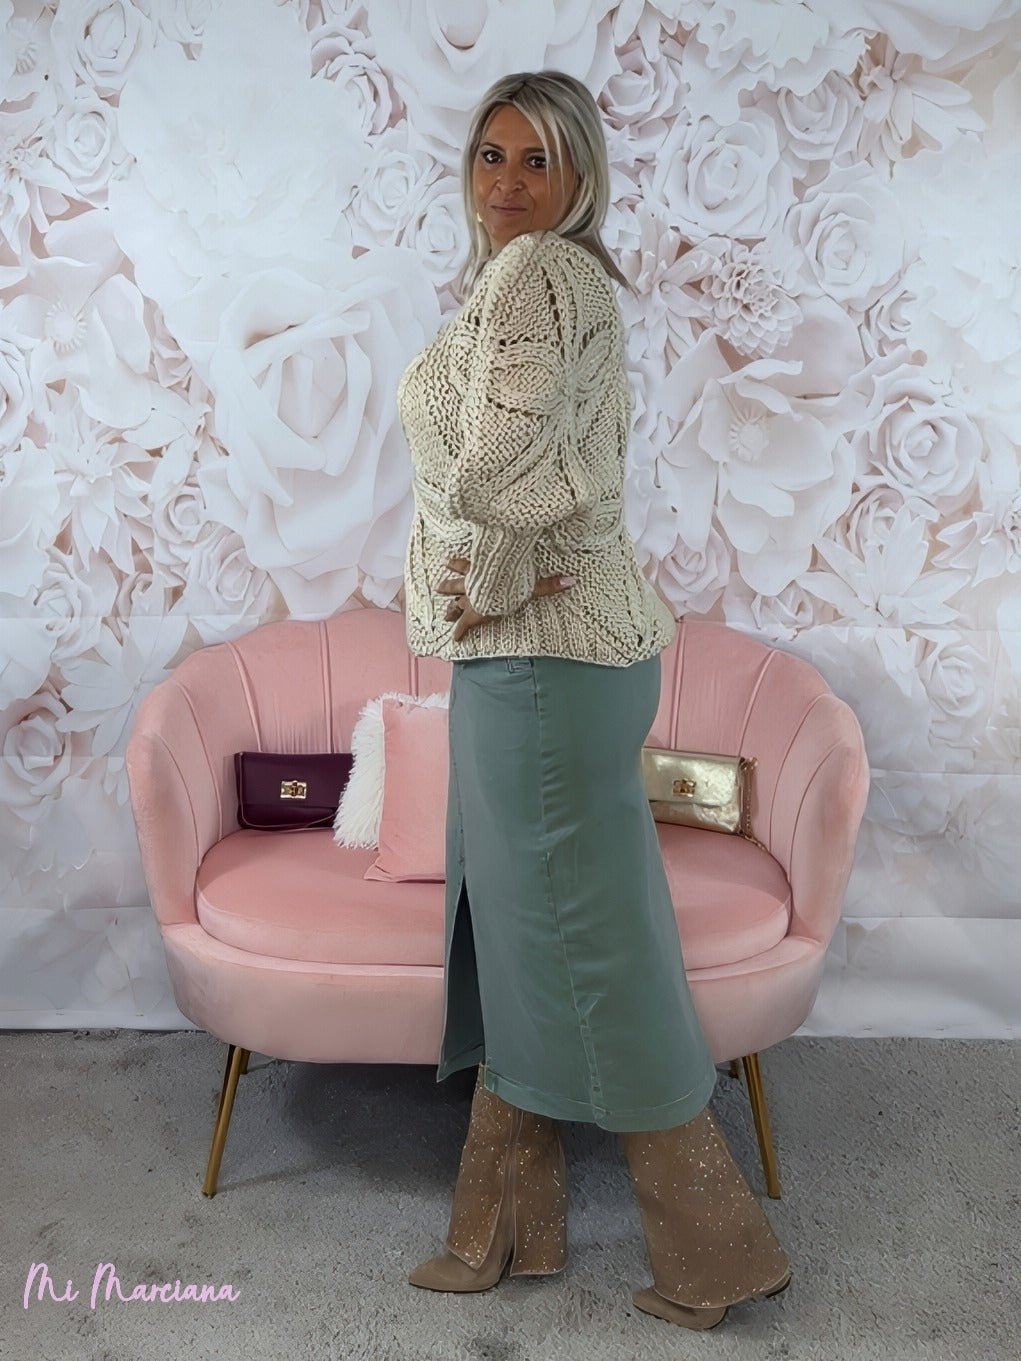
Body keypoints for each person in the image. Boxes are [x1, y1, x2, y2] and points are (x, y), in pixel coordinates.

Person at [395, 69, 792, 1332]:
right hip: (548, 663)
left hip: (543, 666)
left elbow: (504, 469)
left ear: (580, 179)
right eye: (491, 154)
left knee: (583, 950)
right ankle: (503, 1224)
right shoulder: (551, 282)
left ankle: (715, 1252)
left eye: (539, 160)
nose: (508, 182)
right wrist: (498, 587)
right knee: (525, 939)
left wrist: (491, 583)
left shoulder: (537, 275)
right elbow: (559, 456)